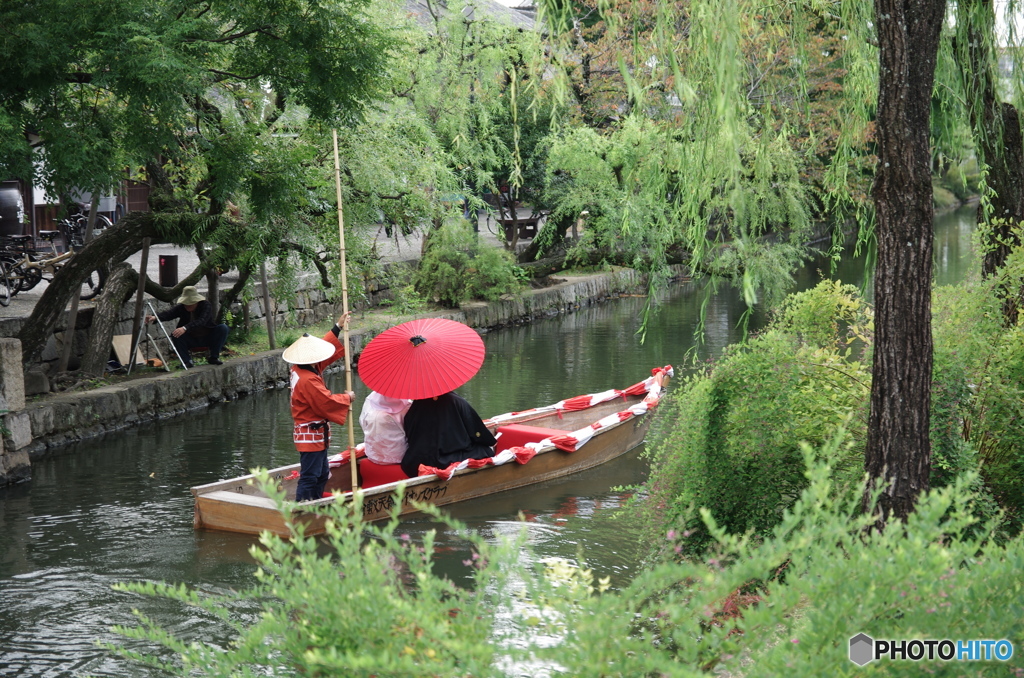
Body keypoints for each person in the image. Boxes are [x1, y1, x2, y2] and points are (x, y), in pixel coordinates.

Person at [282, 313, 355, 502]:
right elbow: (326, 402)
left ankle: (315, 502)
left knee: (322, 474)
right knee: (310, 476)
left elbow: (323, 352)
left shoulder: (301, 368)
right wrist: (347, 397)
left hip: (315, 434)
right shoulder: (308, 379)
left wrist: (337, 327)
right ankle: (304, 507)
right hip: (310, 433)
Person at [400, 391, 497, 478]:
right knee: (486, 450)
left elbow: (410, 434)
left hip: (417, 461)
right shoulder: (457, 401)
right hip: (446, 460)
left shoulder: (415, 406)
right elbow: (476, 431)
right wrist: (490, 441)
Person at [145, 286, 229, 368]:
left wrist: (185, 328)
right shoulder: (181, 308)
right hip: (191, 339)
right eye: (186, 304)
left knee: (223, 328)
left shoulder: (205, 305)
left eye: (190, 303)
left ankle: (214, 357)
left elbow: (202, 320)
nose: (188, 306)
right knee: (176, 334)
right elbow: (169, 314)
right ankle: (187, 361)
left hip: (207, 336)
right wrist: (155, 317)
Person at [359, 391, 412, 465]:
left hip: (373, 455)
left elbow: (363, 423)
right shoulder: (407, 405)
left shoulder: (370, 400)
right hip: (399, 457)